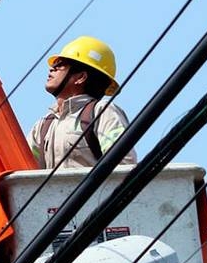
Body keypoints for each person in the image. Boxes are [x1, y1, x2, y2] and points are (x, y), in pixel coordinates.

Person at [27, 35, 136, 169]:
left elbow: (122, 166)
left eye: (60, 64)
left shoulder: (102, 112)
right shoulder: (44, 125)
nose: (52, 68)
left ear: (81, 77)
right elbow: (22, 170)